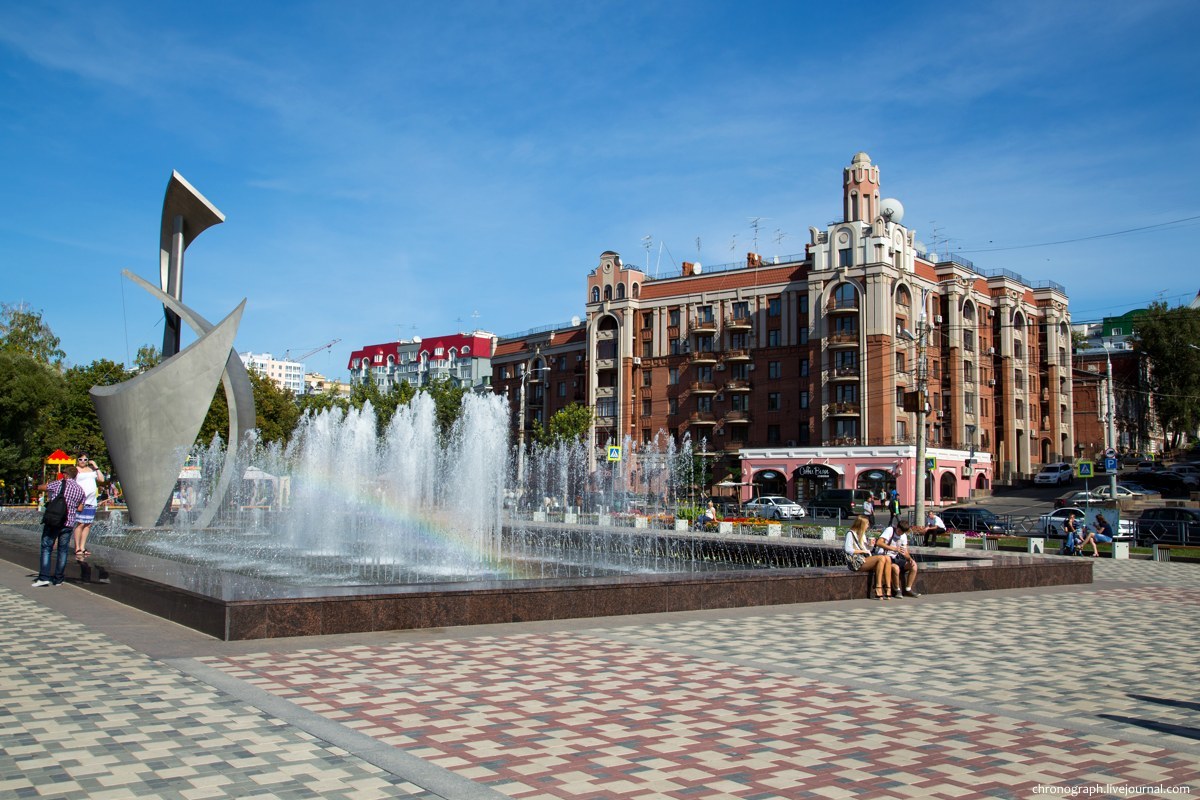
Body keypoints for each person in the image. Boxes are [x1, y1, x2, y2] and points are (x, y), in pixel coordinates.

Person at [33, 467, 85, 587]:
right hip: (69, 523)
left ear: (66, 475)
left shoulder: (59, 484)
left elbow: (42, 488)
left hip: (54, 521)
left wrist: (38, 486)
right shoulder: (80, 490)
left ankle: (44, 577)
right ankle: (58, 579)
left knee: (47, 547)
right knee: (63, 550)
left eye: (63, 474)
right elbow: (80, 508)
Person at [843, 515, 892, 600]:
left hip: (864, 560)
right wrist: (862, 551)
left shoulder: (862, 534)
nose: (868, 526)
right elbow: (848, 549)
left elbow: (867, 550)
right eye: (867, 524)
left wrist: (870, 546)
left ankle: (888, 587)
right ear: (861, 524)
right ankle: (878, 586)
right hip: (856, 563)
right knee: (881, 558)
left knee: (887, 558)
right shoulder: (851, 533)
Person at [874, 519, 921, 597]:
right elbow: (879, 542)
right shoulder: (890, 530)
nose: (900, 533)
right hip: (884, 557)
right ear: (897, 527)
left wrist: (910, 559)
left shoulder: (903, 536)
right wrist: (894, 549)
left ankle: (908, 589)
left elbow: (905, 551)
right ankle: (897, 590)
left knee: (914, 566)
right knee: (895, 568)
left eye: (902, 532)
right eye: (899, 531)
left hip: (894, 558)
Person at [72, 454, 105, 560]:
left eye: (85, 459)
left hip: (92, 501)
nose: (82, 461)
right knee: (80, 523)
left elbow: (101, 479)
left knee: (88, 524)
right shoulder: (75, 470)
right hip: (80, 501)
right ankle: (77, 547)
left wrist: (95, 465)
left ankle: (82, 546)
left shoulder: (91, 470)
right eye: (80, 459)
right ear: (77, 460)